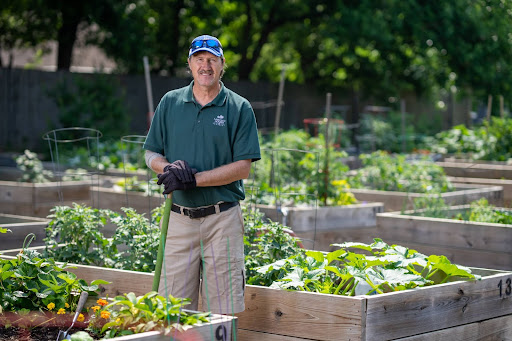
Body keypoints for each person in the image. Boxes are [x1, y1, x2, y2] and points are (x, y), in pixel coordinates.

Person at [143, 34, 260, 314]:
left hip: (222, 220)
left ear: (222, 65)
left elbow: (243, 166)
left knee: (223, 309)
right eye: (199, 59)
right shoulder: (170, 103)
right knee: (172, 308)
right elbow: (151, 154)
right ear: (190, 64)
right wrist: (168, 169)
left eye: (212, 60)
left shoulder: (238, 108)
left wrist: (194, 179)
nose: (205, 66)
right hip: (179, 219)